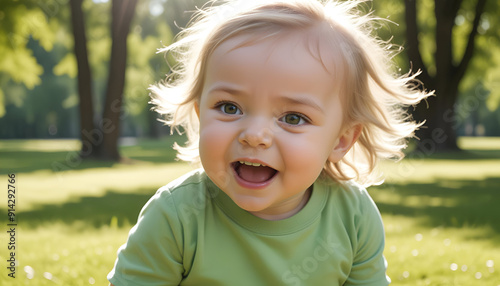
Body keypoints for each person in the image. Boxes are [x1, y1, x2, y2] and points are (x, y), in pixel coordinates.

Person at [108, 0, 432, 285]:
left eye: (292, 118)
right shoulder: (177, 215)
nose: (254, 135)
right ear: (199, 113)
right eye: (229, 107)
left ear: (341, 139)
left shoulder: (353, 217)